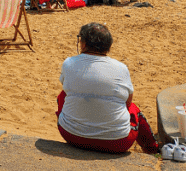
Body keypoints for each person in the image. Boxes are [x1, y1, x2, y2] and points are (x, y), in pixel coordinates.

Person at [57, 23, 159, 154]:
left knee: (63, 95)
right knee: (134, 109)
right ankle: (152, 149)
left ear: (83, 44)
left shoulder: (69, 63)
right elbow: (127, 103)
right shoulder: (121, 68)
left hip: (72, 136)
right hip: (117, 142)